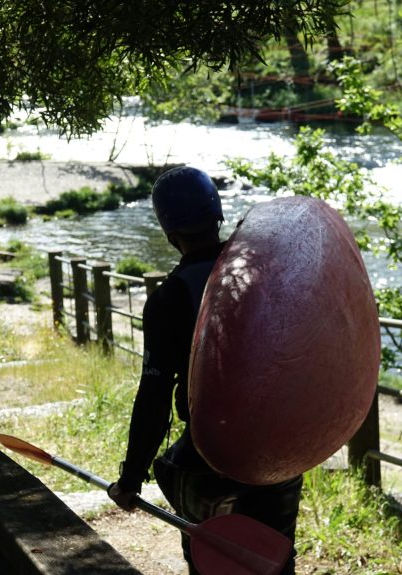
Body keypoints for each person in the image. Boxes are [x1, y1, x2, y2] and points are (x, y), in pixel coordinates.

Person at [108, 166, 303, 575]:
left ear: (168, 231)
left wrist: (131, 478)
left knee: (215, 566)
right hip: (280, 454)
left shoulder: (169, 300)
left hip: (210, 461)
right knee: (275, 562)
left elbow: (154, 396)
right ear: (217, 215)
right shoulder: (262, 273)